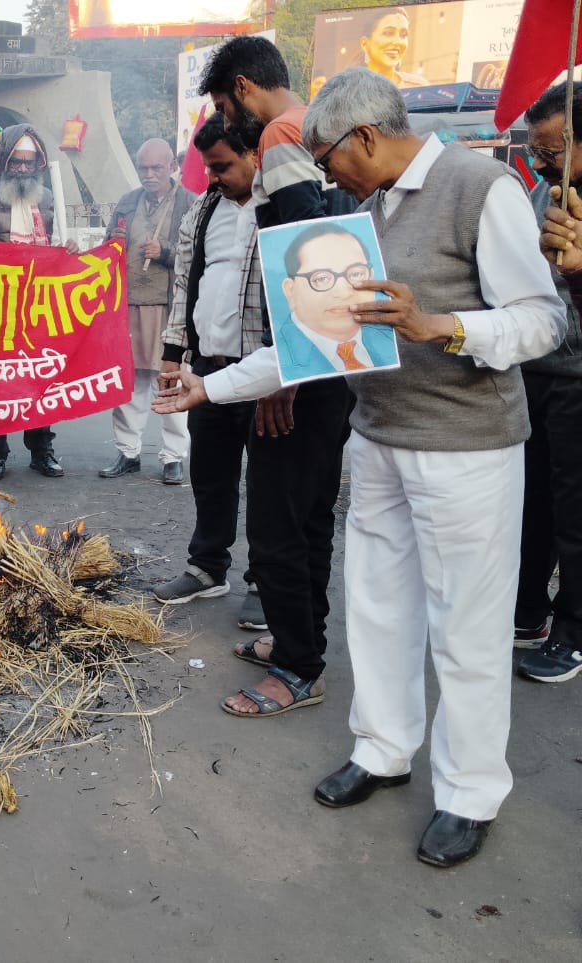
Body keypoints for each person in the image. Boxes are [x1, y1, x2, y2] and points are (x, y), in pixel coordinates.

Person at [156, 68, 566, 867]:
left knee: (467, 630)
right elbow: (310, 343)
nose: (320, 170)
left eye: (324, 155)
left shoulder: (481, 187)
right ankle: (382, 749)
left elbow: (542, 319)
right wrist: (210, 386)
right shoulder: (365, 212)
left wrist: (439, 323)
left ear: (367, 138)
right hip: (378, 440)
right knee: (378, 607)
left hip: (468, 448)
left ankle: (470, 792)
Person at [194, 34, 356, 717]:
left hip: (305, 365)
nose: (225, 124)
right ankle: (301, 642)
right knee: (309, 515)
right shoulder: (321, 130)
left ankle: (296, 667)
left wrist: (285, 377)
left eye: (223, 108)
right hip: (336, 360)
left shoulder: (287, 136)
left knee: (277, 523)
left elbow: (309, 263)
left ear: (242, 89)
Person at [154, 114, 267, 629]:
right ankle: (207, 567)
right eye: (208, 168)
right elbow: (183, 287)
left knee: (268, 484)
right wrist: (173, 353)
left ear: (254, 156)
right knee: (211, 475)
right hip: (207, 372)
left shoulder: (283, 207)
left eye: (222, 167)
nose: (214, 178)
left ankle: (266, 582)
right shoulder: (201, 212)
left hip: (266, 374)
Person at [515, 81, 582, 685]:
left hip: (579, 380)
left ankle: (573, 631)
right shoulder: (539, 193)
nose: (539, 161)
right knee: (531, 502)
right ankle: (528, 608)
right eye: (536, 149)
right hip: (534, 371)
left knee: (575, 513)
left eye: (552, 149)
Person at [0, 123, 78, 480]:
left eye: (28, 163)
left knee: (41, 380)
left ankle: (41, 450)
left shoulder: (50, 200)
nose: (21, 169)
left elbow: (60, 245)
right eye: (15, 162)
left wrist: (69, 249)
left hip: (39, 306)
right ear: (4, 162)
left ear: (39, 165)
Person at [99, 137, 192, 485]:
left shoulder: (188, 202)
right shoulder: (128, 201)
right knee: (129, 383)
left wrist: (166, 250)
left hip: (170, 309)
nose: (149, 174)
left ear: (172, 167)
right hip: (128, 306)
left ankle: (173, 457)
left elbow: (201, 253)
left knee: (168, 381)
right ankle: (127, 452)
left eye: (156, 167)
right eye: (143, 167)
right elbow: (109, 242)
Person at [272, 223, 398, 379]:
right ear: (291, 291)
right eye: (322, 278)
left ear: (371, 276)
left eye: (356, 274)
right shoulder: (279, 359)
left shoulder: (392, 337)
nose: (343, 292)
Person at [357, 8, 427, 88]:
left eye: (403, 35)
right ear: (365, 44)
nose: (398, 42)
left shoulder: (418, 86)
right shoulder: (350, 89)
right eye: (388, 33)